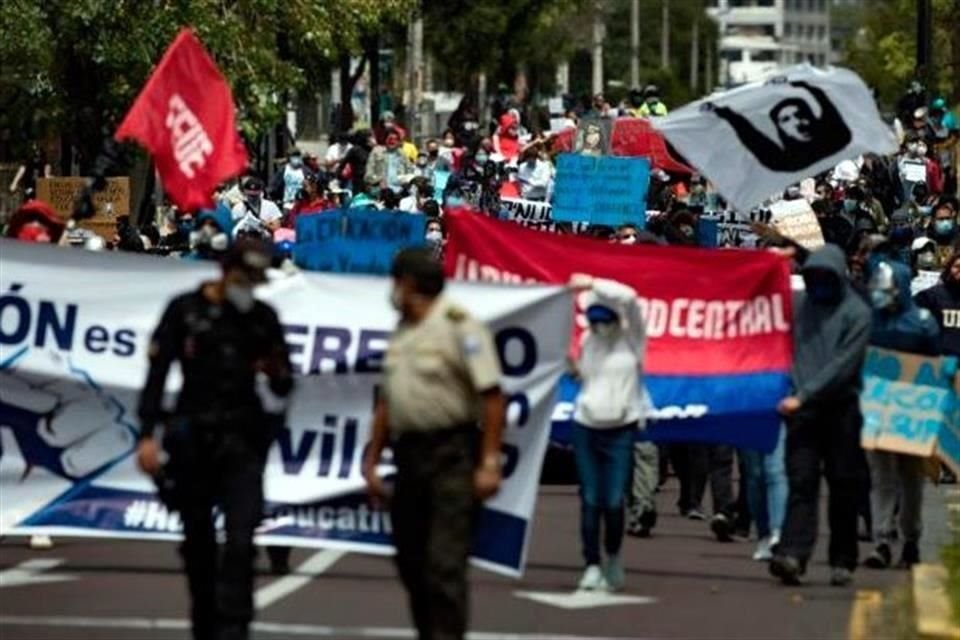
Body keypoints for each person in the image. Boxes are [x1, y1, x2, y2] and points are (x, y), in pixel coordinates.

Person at [136, 239, 294, 640]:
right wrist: (147, 435)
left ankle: (235, 629)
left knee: (241, 541)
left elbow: (283, 385)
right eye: (245, 278)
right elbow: (157, 375)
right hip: (193, 440)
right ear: (226, 271)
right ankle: (204, 624)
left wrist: (275, 369)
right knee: (199, 544)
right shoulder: (185, 311)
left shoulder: (261, 318)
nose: (249, 287)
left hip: (243, 441)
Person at [363, 248, 505, 640]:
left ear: (408, 283)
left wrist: (489, 462)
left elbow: (492, 397)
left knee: (445, 565)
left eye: (395, 282)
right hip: (409, 459)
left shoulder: (461, 326)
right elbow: (389, 401)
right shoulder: (403, 330)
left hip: (452, 457)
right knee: (410, 561)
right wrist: (372, 461)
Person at [770, 244, 872, 587]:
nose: (818, 285)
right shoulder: (800, 306)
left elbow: (843, 365)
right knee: (801, 482)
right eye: (812, 278)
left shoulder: (857, 314)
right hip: (802, 411)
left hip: (840, 409)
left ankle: (843, 559)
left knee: (844, 484)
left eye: (825, 278)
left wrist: (804, 395)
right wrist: (769, 264)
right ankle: (793, 554)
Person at [567, 273, 648, 591]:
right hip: (586, 425)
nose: (600, 327)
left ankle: (612, 557)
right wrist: (569, 367)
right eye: (594, 320)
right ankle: (590, 564)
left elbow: (629, 296)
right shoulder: (589, 341)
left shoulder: (633, 339)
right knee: (589, 500)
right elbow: (585, 378)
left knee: (613, 500)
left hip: (621, 429)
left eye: (605, 320)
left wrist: (591, 284)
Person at [862, 260, 939, 570]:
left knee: (910, 480)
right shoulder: (871, 321)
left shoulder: (922, 323)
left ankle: (910, 539)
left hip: (913, 407)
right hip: (878, 404)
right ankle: (881, 538)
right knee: (881, 477)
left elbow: (933, 368)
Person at [366, 128, 415, 195]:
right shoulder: (376, 151)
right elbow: (368, 175)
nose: (392, 141)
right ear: (385, 139)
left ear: (399, 141)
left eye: (395, 139)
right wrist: (378, 181)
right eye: (390, 139)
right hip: (380, 191)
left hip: (400, 191)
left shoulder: (402, 154)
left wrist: (406, 181)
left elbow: (410, 171)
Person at [268, 148, 309, 213]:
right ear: (289, 157)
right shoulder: (283, 170)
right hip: (287, 205)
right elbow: (274, 185)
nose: (295, 158)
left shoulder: (305, 170)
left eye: (297, 155)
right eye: (293, 156)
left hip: (302, 205)